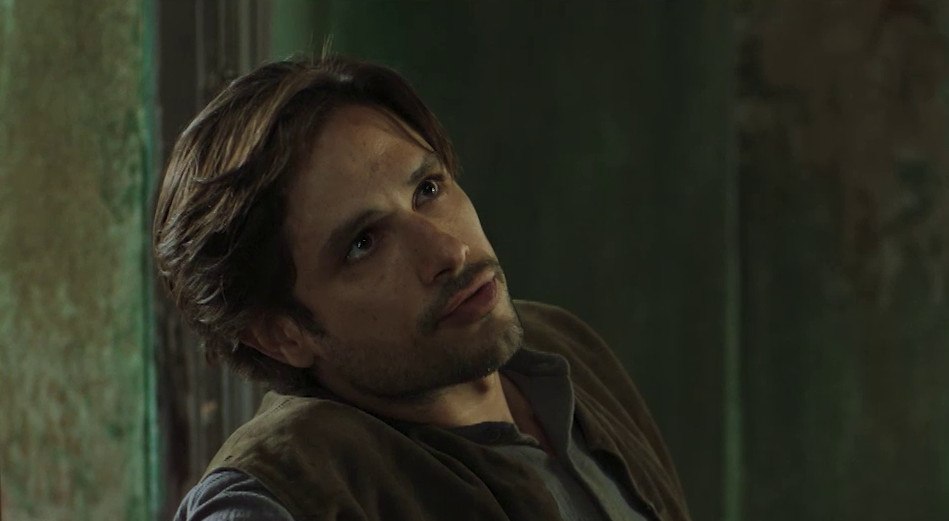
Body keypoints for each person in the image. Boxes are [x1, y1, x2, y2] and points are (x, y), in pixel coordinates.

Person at [154, 55, 691, 521]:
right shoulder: (292, 485)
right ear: (282, 334)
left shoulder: (563, 347)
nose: (449, 252)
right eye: (363, 244)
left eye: (429, 189)